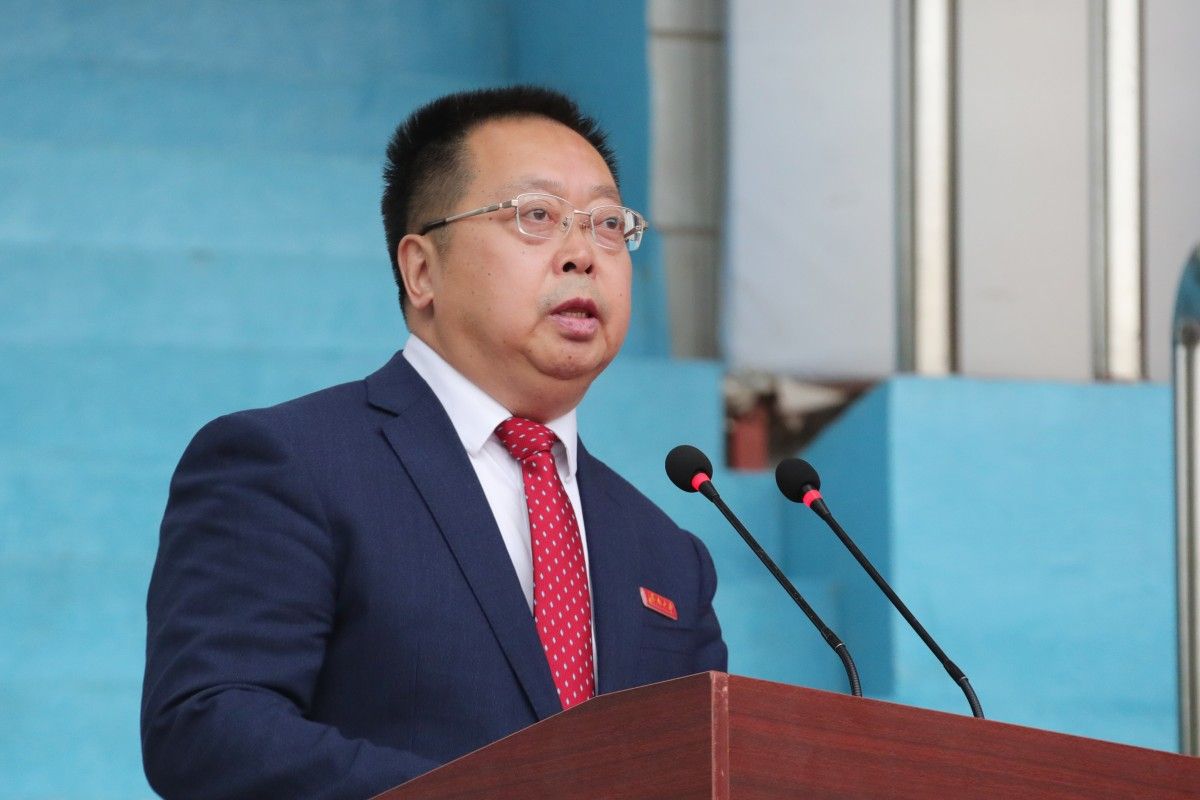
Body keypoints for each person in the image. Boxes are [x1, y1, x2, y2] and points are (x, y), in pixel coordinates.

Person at [141, 85, 727, 800]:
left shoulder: (667, 552)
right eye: (537, 216)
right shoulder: (289, 464)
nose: (583, 253)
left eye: (609, 225)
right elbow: (208, 729)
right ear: (422, 269)